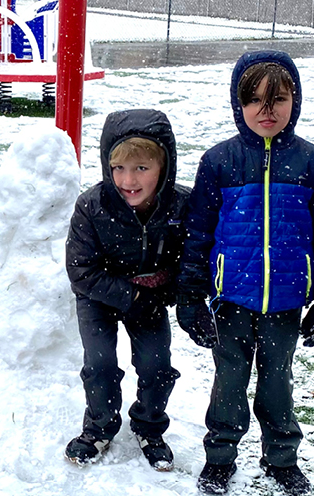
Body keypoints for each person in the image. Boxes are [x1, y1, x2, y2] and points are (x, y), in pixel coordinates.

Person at [177, 50, 314, 496]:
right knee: (229, 381)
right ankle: (220, 457)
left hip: (287, 299)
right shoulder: (219, 162)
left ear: (296, 100)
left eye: (279, 99)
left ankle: (281, 459)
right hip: (232, 298)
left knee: (278, 383)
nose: (266, 111)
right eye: (254, 100)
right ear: (239, 104)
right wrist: (192, 295)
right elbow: (198, 234)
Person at [65, 109, 188, 471]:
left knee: (156, 363)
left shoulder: (180, 205)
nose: (128, 179)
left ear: (163, 167)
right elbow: (81, 270)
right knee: (100, 362)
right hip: (100, 295)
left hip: (151, 297)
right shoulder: (92, 206)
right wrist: (132, 297)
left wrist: (173, 291)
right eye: (118, 168)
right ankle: (100, 426)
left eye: (141, 168)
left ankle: (149, 426)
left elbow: (192, 257)